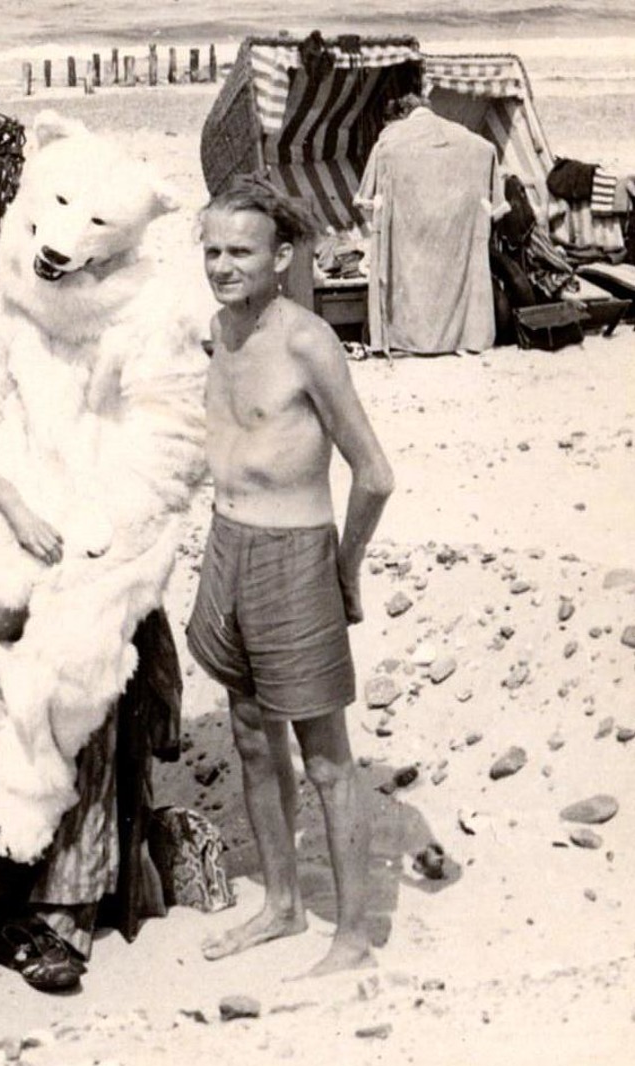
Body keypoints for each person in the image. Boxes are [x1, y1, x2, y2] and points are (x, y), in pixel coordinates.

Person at [188, 174, 394, 976]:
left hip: (294, 554)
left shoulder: (306, 339)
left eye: (240, 251)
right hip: (227, 546)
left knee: (326, 757)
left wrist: (343, 572)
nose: (222, 265)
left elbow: (373, 473)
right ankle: (279, 905)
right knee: (248, 735)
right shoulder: (218, 328)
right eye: (210, 250)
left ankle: (353, 939)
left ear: (282, 256)